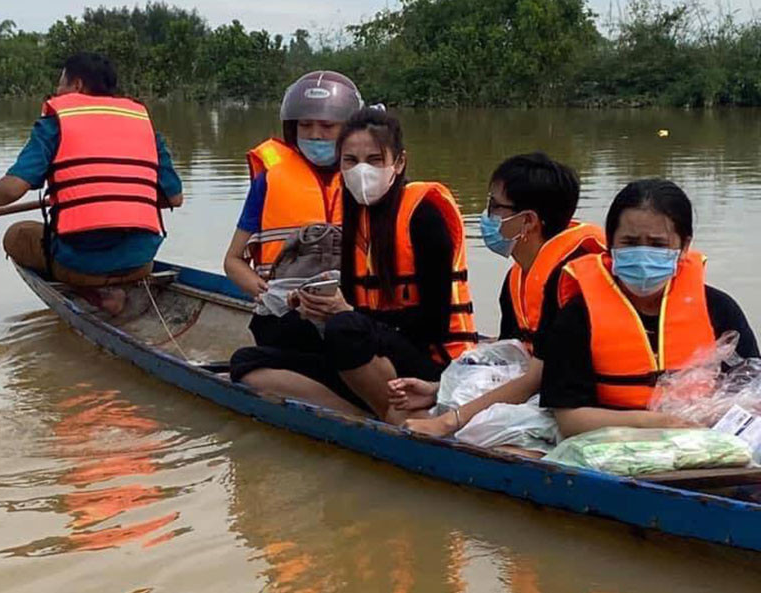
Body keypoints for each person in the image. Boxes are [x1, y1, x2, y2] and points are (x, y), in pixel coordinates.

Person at [230, 108, 478, 424]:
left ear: (399, 163)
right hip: (373, 350)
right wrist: (312, 305)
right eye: (350, 161)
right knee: (251, 356)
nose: (362, 171)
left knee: (344, 328)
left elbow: (434, 323)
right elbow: (352, 298)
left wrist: (348, 314)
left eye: (375, 160)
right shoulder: (357, 217)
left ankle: (398, 414)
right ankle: (365, 416)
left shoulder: (423, 215)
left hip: (434, 361)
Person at [394, 153, 605, 436]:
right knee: (405, 409)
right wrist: (437, 390)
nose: (486, 216)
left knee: (465, 431)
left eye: (495, 206)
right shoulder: (517, 278)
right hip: (544, 387)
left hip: (584, 400)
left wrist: (449, 421)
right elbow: (514, 358)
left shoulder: (569, 280)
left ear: (528, 221)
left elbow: (535, 377)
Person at [541, 179, 759, 437]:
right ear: (611, 245)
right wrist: (656, 423)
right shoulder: (578, 315)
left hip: (707, 442)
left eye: (658, 245)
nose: (643, 254)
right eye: (630, 242)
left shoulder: (719, 308)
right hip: (612, 444)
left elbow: (751, 390)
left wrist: (712, 415)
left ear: (684, 247)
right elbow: (570, 420)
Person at [0, 52, 183, 302]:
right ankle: (114, 286)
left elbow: (13, 188)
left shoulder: (55, 123)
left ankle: (95, 295)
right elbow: (174, 198)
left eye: (61, 83)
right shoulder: (143, 125)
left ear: (76, 85)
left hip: (82, 267)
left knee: (17, 235)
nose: (57, 91)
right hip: (141, 262)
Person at [223, 71, 363, 349]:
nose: (315, 134)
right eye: (305, 125)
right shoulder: (269, 180)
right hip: (287, 314)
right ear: (292, 128)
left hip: (351, 311)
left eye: (327, 125)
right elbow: (233, 261)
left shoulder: (365, 179)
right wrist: (265, 294)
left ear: (349, 129)